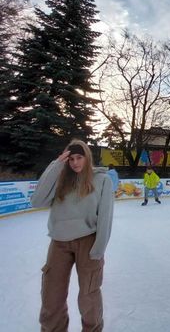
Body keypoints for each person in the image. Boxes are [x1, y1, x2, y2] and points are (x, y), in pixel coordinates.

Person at [31, 140, 114, 331]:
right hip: (59, 243)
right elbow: (37, 201)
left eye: (79, 158)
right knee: (51, 296)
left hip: (88, 242)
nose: (75, 162)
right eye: (71, 159)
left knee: (88, 296)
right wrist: (57, 164)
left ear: (87, 157)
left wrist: (99, 250)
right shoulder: (61, 179)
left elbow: (105, 217)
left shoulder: (102, 180)